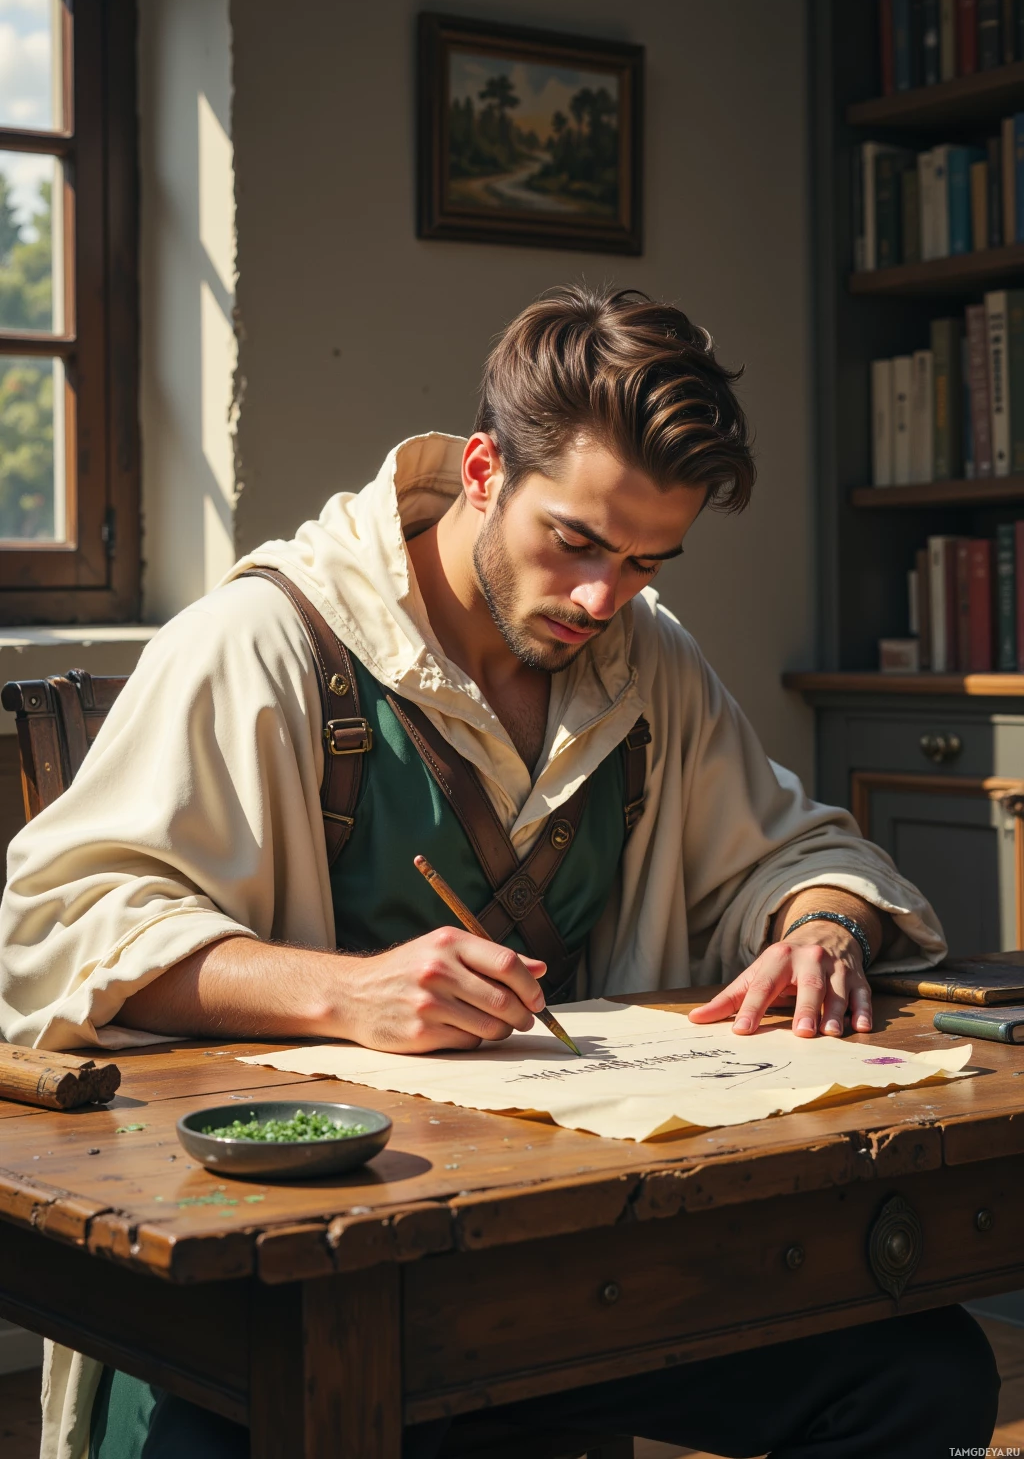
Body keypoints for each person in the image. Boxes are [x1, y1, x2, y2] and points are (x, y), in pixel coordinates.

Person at [0, 287, 998, 1457]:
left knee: (918, 1374)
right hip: (283, 1284)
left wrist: (823, 926)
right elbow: (59, 927)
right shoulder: (268, 643)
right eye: (575, 541)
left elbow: (806, 851)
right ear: (482, 470)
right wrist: (343, 992)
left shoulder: (645, 662)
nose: (599, 598)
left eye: (643, 560)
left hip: (556, 1259)